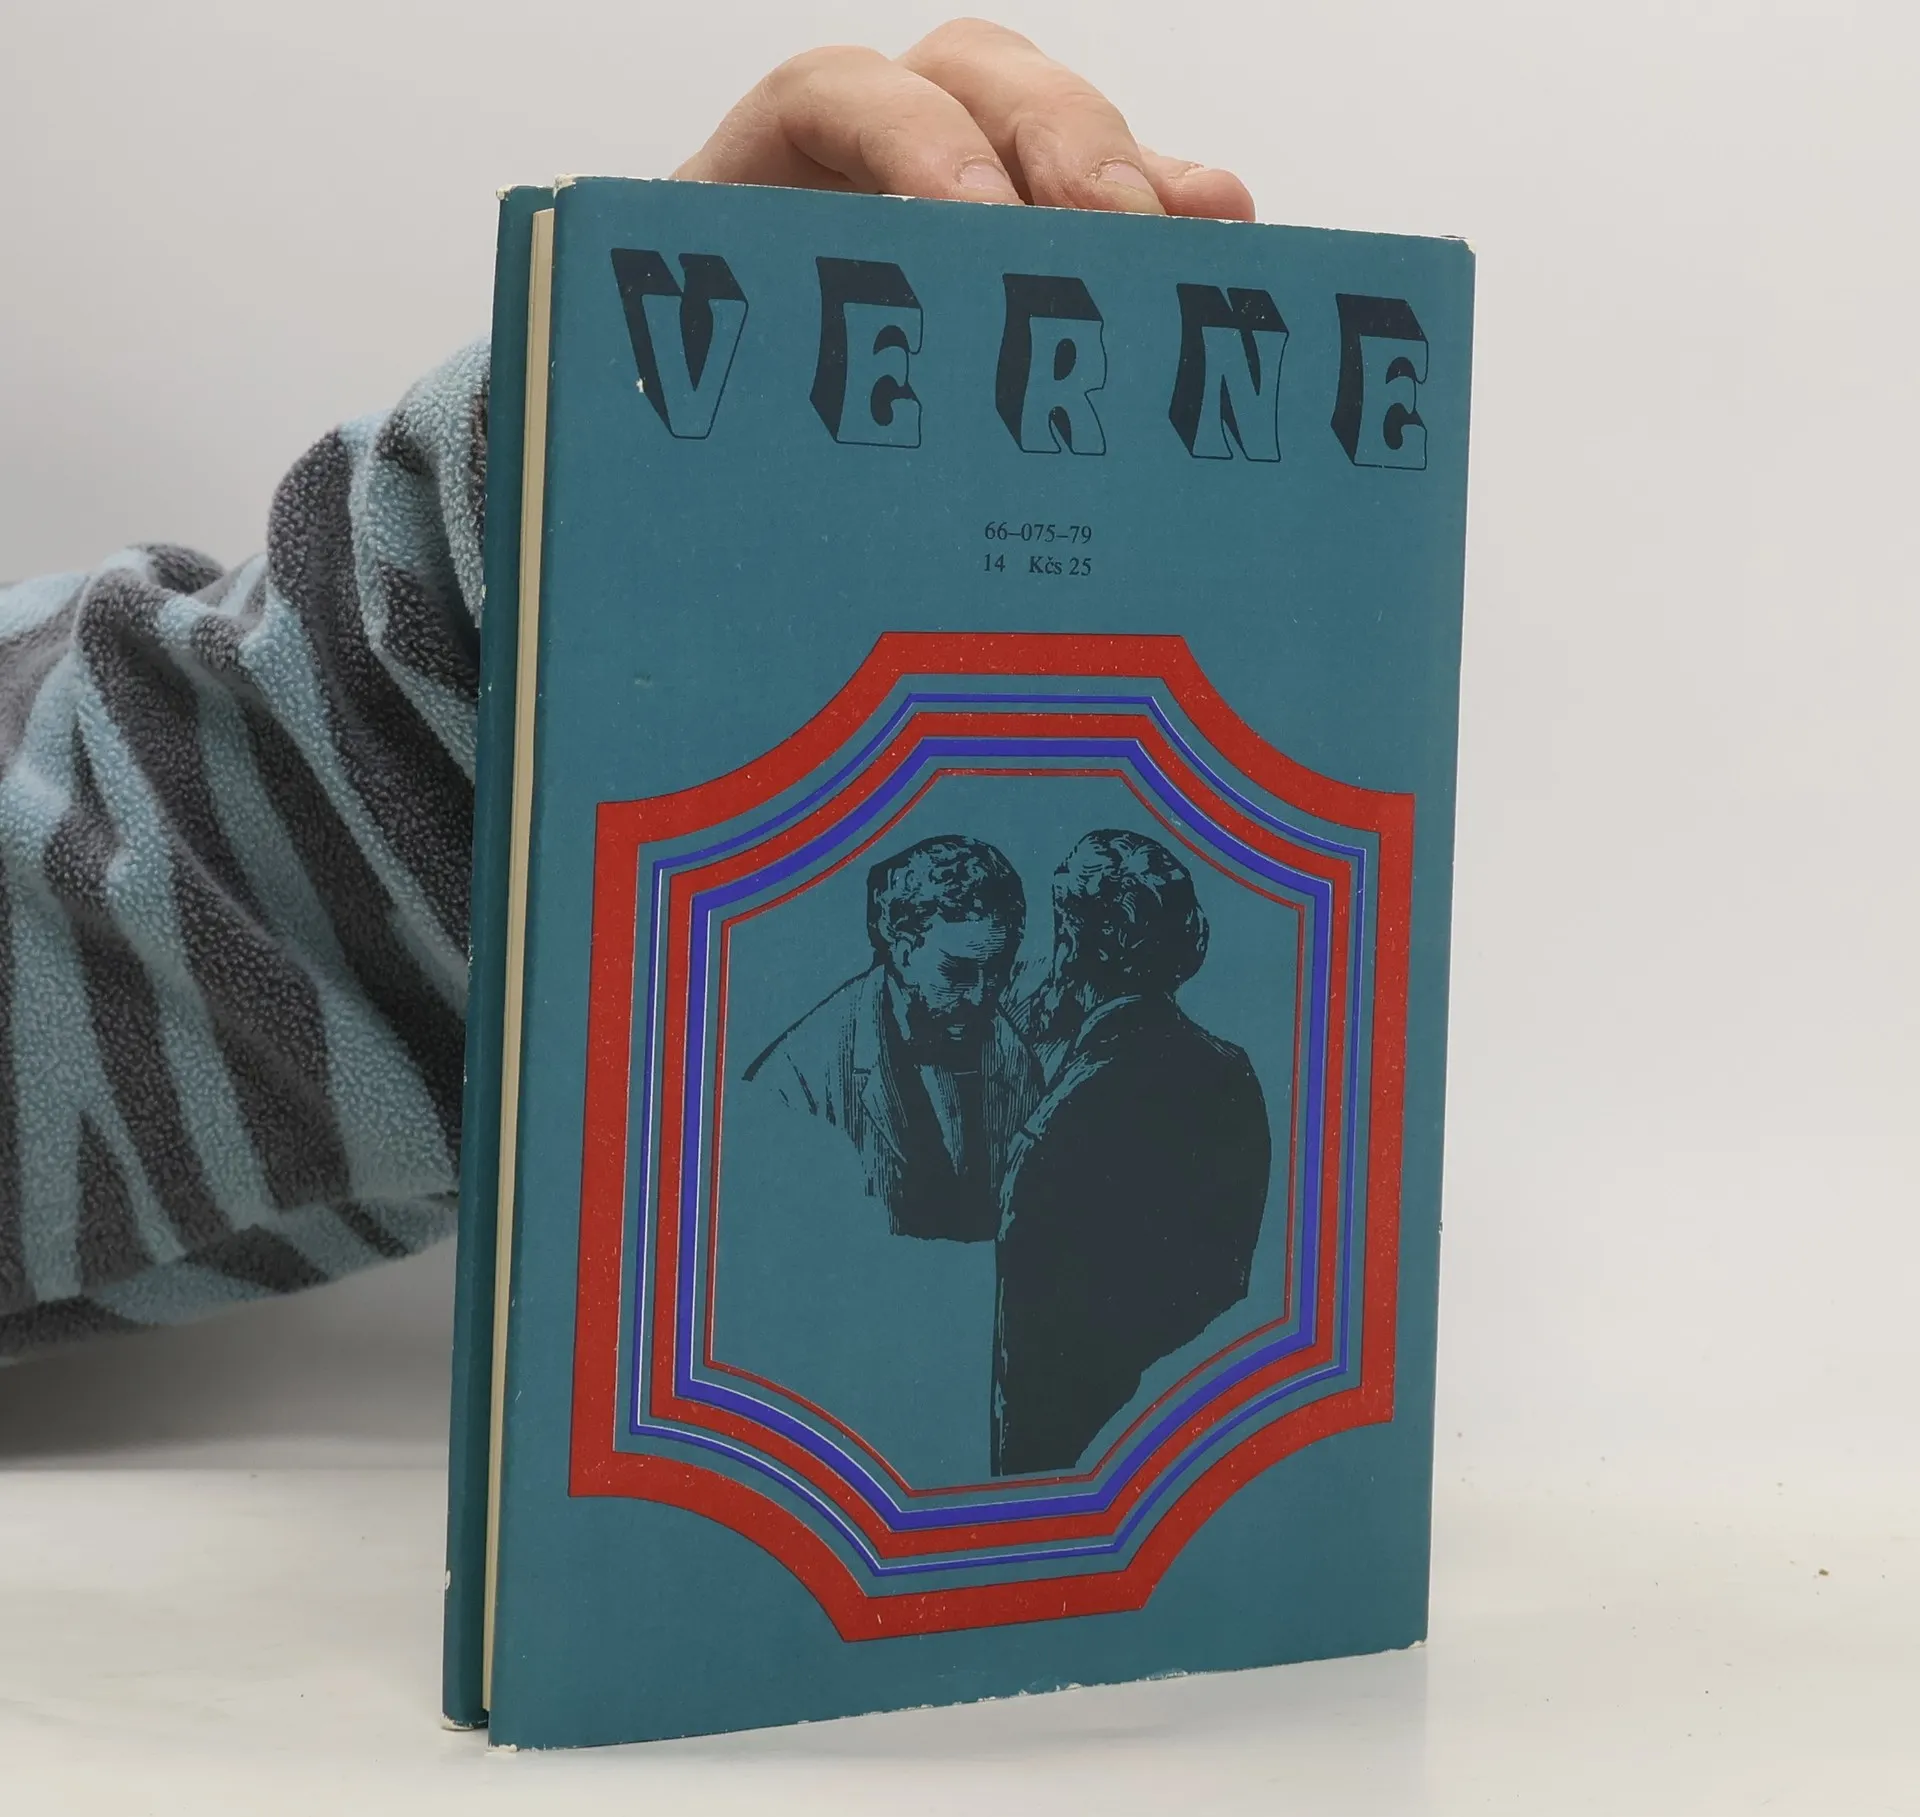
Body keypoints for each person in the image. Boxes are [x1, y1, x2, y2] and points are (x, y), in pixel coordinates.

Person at [0, 19, 1254, 1359]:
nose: (998, 993)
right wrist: (544, 663)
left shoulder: (1077, 1061)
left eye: (1006, 964)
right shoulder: (808, 1077)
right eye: (969, 968)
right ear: (895, 948)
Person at [992, 829, 1271, 1476]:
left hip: (1062, 1437)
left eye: (1061, 934)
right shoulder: (1231, 1069)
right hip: (1176, 1425)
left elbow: (1019, 1303)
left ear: (1075, 945)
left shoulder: (1077, 1102)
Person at [743, 835, 1042, 1244]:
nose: (980, 996)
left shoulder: (1012, 1057)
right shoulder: (797, 1081)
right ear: (902, 951)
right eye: (957, 971)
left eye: (997, 970)